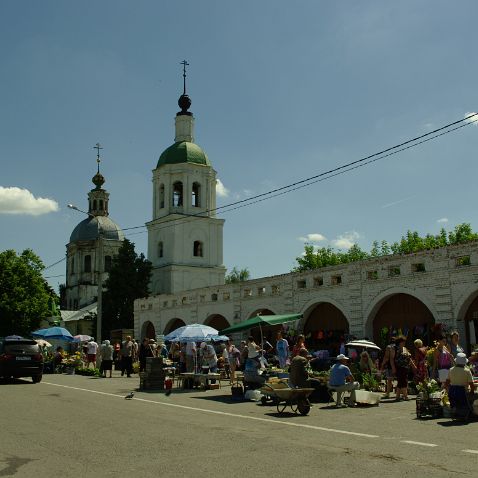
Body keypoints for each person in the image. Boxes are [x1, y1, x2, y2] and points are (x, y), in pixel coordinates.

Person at [394, 336, 415, 401]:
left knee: (400, 382)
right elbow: (394, 359)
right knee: (403, 381)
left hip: (405, 367)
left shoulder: (405, 348)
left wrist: (413, 366)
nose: (404, 343)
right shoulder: (396, 349)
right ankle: (405, 396)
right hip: (400, 367)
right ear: (399, 342)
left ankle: (397, 396)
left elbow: (409, 358)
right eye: (403, 342)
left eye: (404, 341)